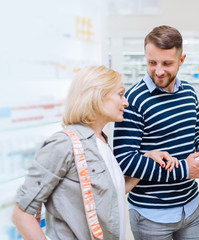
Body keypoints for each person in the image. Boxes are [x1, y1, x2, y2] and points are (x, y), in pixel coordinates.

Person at [11, 66, 177, 240]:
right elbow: (22, 214)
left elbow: (112, 193)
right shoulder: (64, 143)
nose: (126, 102)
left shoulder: (101, 141)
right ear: (97, 96)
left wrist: (146, 159)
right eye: (120, 94)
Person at [113, 25, 199, 240]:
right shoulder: (134, 99)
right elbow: (125, 161)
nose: (159, 71)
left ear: (182, 60)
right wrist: (184, 169)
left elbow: (197, 130)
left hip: (191, 207)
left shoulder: (189, 93)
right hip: (151, 215)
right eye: (152, 63)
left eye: (167, 63)